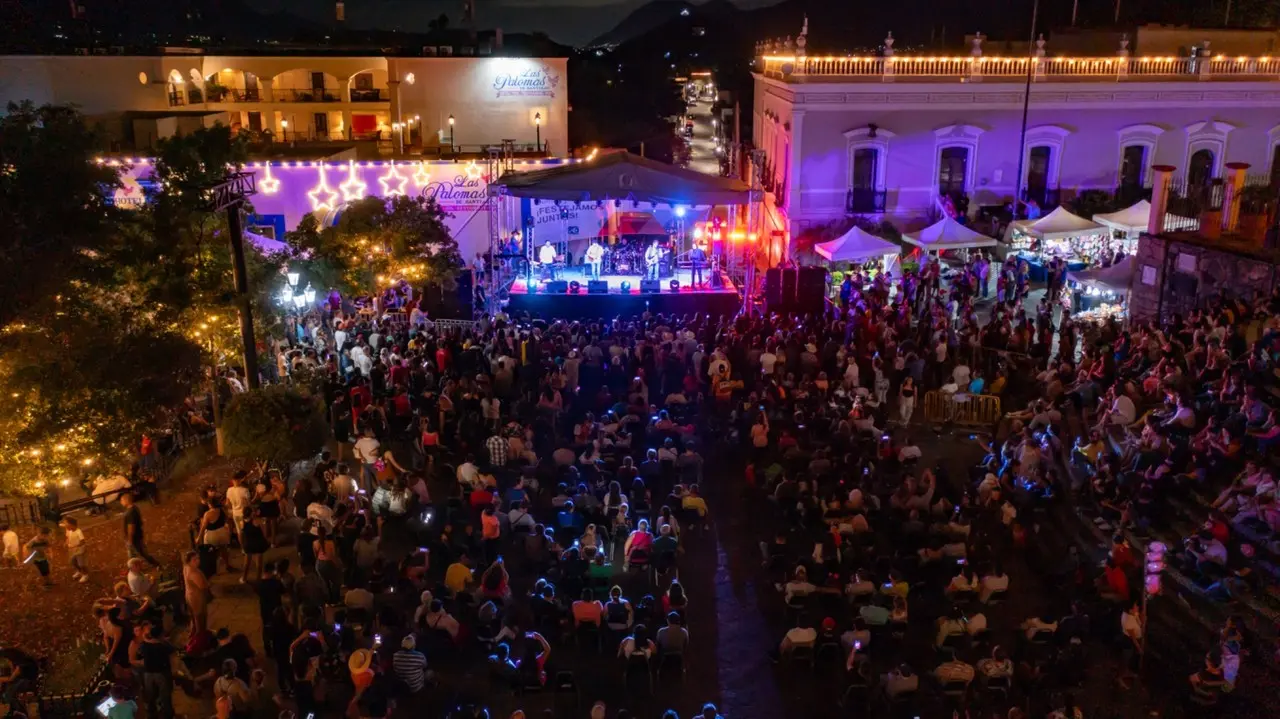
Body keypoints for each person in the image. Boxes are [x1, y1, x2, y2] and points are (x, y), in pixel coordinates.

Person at [121, 492, 160, 568]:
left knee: (139, 553)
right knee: (139, 553)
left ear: (126, 500)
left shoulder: (130, 513)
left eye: (122, 500)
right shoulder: (135, 508)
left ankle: (154, 564)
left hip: (134, 538)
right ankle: (135, 567)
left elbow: (131, 527)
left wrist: (130, 540)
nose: (121, 502)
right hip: (137, 536)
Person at [61, 516, 88, 583]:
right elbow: (68, 538)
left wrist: (75, 546)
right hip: (72, 550)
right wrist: (66, 543)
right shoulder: (68, 531)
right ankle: (79, 571)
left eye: (66, 523)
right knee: (73, 562)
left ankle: (85, 575)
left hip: (79, 551)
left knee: (81, 564)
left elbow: (83, 541)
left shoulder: (78, 531)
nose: (64, 525)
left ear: (71, 524)